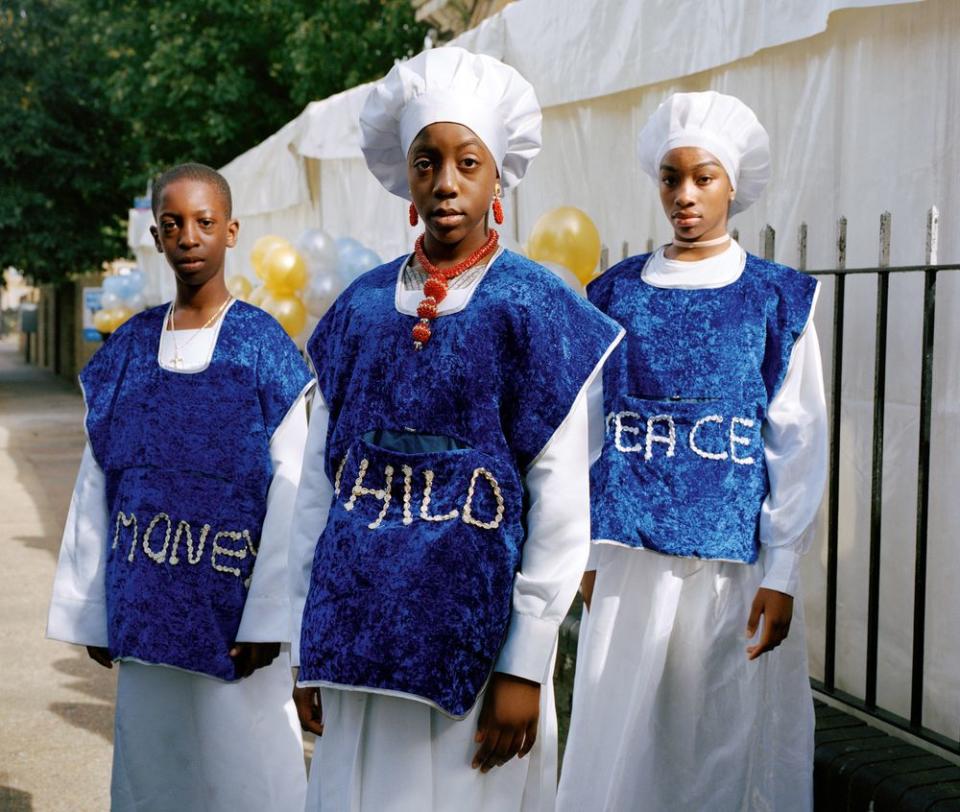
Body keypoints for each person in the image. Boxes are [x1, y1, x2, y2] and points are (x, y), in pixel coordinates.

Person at [288, 47, 623, 812]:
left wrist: (525, 663)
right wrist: (306, 648)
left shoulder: (535, 309)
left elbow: (562, 502)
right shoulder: (361, 311)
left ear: (496, 176)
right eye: (426, 162)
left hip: (477, 652)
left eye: (466, 162)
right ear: (405, 176)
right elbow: (317, 486)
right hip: (358, 639)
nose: (445, 182)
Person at [557, 91, 828, 811]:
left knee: (724, 735)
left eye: (702, 177)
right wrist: (584, 551)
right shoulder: (614, 294)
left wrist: (785, 568)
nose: (684, 194)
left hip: (730, 566)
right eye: (671, 177)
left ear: (732, 183)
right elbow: (586, 426)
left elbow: (795, 437)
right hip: (629, 557)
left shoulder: (775, 298)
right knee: (624, 733)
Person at [47, 163, 312, 811]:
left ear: (231, 231)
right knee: (154, 765)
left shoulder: (262, 348)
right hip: (147, 603)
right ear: (158, 237)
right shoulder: (130, 350)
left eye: (203, 222)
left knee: (243, 770)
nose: (188, 236)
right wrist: (95, 607)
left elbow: (295, 487)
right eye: (173, 224)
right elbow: (99, 480)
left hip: (233, 618)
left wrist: (270, 617)